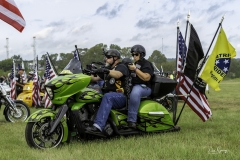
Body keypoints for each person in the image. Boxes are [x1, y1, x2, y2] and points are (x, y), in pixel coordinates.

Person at [86, 49, 130, 134]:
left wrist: (107, 70)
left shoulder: (122, 66)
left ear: (116, 58)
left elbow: (118, 74)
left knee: (107, 97)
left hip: (121, 96)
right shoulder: (108, 68)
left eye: (108, 57)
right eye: (106, 57)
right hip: (109, 95)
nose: (106, 59)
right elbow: (95, 78)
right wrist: (88, 72)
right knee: (91, 94)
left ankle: (98, 126)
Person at [127, 44, 154, 129]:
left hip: (144, 87)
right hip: (133, 85)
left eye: (136, 54)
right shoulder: (134, 64)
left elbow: (146, 77)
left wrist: (135, 69)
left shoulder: (147, 64)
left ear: (141, 54)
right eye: (133, 54)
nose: (134, 56)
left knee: (135, 92)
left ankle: (132, 120)